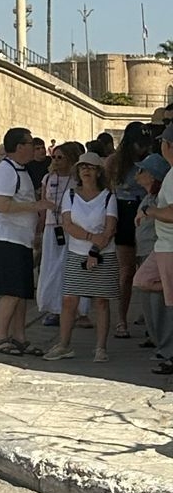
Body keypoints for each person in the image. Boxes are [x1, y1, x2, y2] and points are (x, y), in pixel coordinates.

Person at [44, 156, 120, 364]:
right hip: (77, 252)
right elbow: (68, 224)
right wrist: (89, 238)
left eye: (91, 167)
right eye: (83, 167)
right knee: (69, 300)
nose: (86, 171)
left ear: (98, 172)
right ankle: (64, 344)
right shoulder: (70, 195)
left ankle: (100, 348)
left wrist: (95, 250)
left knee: (101, 301)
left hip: (102, 254)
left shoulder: (107, 197)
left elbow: (110, 228)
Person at [0, 128, 40, 357]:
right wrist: (37, 206)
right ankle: (0, 336)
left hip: (20, 238)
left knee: (22, 291)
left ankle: (19, 336)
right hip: (6, 237)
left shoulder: (20, 170)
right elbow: (3, 205)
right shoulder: (5, 171)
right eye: (30, 143)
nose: (34, 147)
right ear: (19, 146)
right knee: (10, 291)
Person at [132, 126, 173, 378]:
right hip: (163, 247)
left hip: (169, 247)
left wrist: (150, 212)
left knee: (170, 305)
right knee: (144, 281)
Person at [107, 124, 152, 339]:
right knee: (126, 272)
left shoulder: (150, 161)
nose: (142, 149)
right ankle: (121, 319)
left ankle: (149, 317)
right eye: (139, 144)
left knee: (147, 269)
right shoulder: (115, 163)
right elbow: (107, 192)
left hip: (145, 211)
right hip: (124, 213)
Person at [36, 142, 85, 332]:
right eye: (54, 157)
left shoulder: (77, 180)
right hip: (51, 228)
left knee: (71, 267)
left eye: (60, 157)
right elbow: (42, 205)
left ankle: (80, 310)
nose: (55, 161)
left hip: (72, 229)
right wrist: (38, 231)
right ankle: (54, 308)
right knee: (51, 268)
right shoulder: (47, 178)